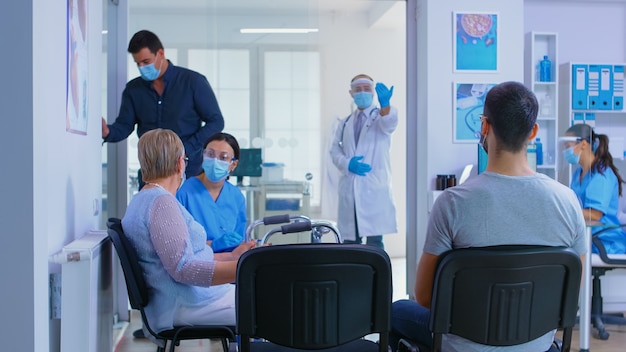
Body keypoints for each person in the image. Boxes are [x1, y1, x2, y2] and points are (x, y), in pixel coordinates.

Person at [389, 81, 586, 352]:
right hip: (536, 344)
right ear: (533, 132)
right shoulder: (567, 201)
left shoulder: (451, 203)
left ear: (484, 127)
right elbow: (572, 288)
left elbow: (424, 296)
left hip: (463, 343)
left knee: (397, 310)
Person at [121, 128, 256, 344]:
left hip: (179, 299)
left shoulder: (144, 199)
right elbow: (184, 268)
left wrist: (233, 257)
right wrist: (248, 268)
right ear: (179, 163)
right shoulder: (162, 203)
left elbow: (184, 257)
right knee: (273, 303)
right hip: (184, 304)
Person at [102, 29, 224, 181]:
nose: (142, 67)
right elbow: (124, 125)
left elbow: (216, 121)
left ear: (160, 53)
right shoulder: (133, 89)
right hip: (150, 173)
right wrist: (107, 132)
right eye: (137, 63)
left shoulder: (193, 82)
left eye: (146, 62)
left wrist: (185, 149)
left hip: (189, 172)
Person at [329, 74, 398, 250]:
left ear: (373, 92)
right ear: (351, 93)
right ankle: (352, 277)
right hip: (350, 189)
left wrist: (386, 106)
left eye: (366, 89)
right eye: (358, 89)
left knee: (375, 243)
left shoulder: (381, 116)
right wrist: (347, 163)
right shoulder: (344, 123)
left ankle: (378, 277)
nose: (362, 93)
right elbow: (334, 150)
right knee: (350, 243)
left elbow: (389, 125)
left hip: (373, 188)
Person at [176, 132, 246, 253]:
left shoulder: (236, 196)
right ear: (203, 156)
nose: (215, 161)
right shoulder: (184, 192)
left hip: (230, 265)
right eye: (210, 154)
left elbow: (240, 241)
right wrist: (212, 245)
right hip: (195, 264)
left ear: (233, 164)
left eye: (223, 157)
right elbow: (176, 244)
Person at [563, 123, 626, 254]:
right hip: (587, 238)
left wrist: (562, 211)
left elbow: (594, 214)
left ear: (584, 144)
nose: (565, 152)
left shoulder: (602, 174)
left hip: (604, 241)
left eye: (568, 147)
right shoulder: (578, 173)